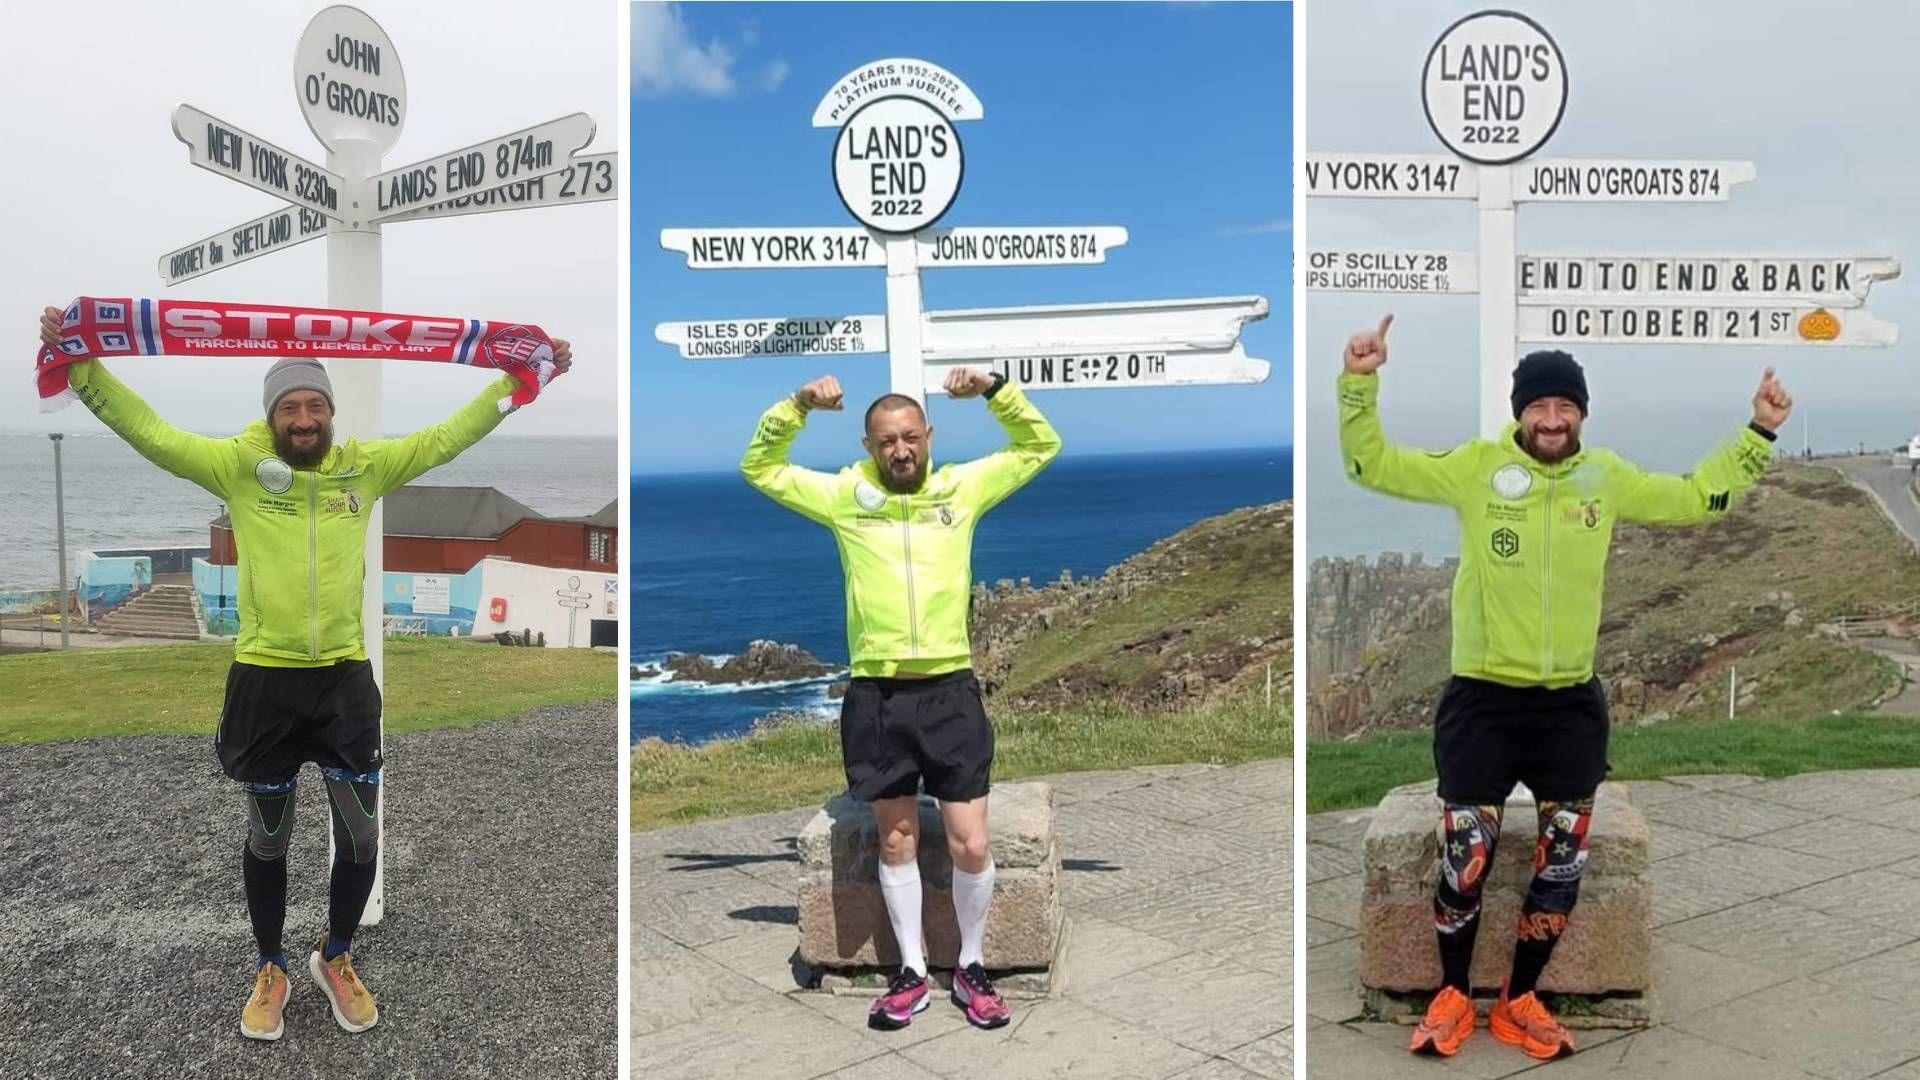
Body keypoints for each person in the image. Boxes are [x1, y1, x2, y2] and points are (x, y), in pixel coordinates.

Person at [37, 306, 572, 1042]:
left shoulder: (366, 468)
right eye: (290, 406)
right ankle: (270, 965)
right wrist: (85, 369)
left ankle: (337, 954)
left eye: (315, 405)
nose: (304, 417)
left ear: (329, 414)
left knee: (358, 840)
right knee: (269, 839)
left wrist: (517, 383)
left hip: (344, 682)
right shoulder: (235, 467)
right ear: (273, 416)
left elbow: (447, 438)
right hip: (264, 682)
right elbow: (152, 433)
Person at [1338, 314, 1789, 1060]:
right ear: (1521, 411)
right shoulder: (1476, 469)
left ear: (1581, 412)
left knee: (1562, 860)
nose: (1552, 419)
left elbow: (1700, 498)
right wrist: (1359, 383)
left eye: (1565, 406)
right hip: (1482, 697)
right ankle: (1452, 996)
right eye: (1539, 406)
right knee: (1466, 858)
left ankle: (1522, 1000)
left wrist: (1759, 433)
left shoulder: (1603, 477)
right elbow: (1372, 466)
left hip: (1570, 704)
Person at [741, 367, 1061, 1031]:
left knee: (972, 843)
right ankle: (912, 971)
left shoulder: (961, 488)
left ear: (929, 436)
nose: (901, 450)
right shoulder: (842, 497)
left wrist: (998, 391)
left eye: (910, 437)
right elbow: (761, 467)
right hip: (878, 695)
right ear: (868, 446)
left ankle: (971, 966)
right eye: (886, 441)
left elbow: (1039, 446)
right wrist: (797, 405)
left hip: (950, 691)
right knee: (896, 840)